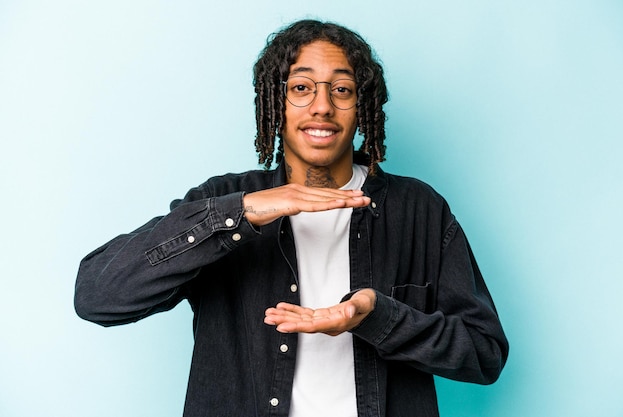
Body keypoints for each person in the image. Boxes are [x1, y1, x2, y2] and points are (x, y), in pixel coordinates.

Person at [74, 19, 508, 417]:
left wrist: (378, 316)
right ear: (275, 102)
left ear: (362, 106)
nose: (321, 107)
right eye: (301, 88)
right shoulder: (222, 199)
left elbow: (484, 352)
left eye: (341, 90)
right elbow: (97, 296)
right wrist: (239, 214)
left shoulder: (419, 210)